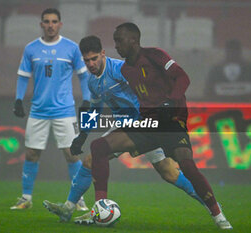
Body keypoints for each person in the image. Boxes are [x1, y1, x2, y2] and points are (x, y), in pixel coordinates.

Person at [74, 23, 232, 229]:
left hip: (170, 122)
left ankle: (217, 214)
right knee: (98, 148)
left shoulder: (155, 55)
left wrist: (171, 102)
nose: (117, 46)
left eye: (119, 41)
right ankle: (99, 207)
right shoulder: (125, 70)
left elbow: (183, 77)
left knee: (184, 166)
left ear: (133, 40)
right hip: (146, 124)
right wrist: (83, 134)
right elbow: (116, 100)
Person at [41, 35, 206, 222]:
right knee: (94, 162)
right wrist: (82, 136)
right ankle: (69, 208)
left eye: (94, 58)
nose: (91, 63)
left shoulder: (121, 70)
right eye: (87, 60)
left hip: (145, 124)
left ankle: (210, 203)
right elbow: (94, 109)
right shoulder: (92, 82)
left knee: (164, 170)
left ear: (103, 54)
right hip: (126, 125)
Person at [10, 8, 90, 211]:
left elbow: (83, 75)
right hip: (38, 111)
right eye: (47, 21)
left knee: (72, 155)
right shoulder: (31, 49)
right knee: (31, 154)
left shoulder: (71, 48)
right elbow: (22, 75)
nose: (50, 25)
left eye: (54, 21)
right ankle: (26, 199)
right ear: (41, 24)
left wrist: (87, 99)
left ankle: (79, 200)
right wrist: (19, 99)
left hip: (64, 111)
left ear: (60, 24)